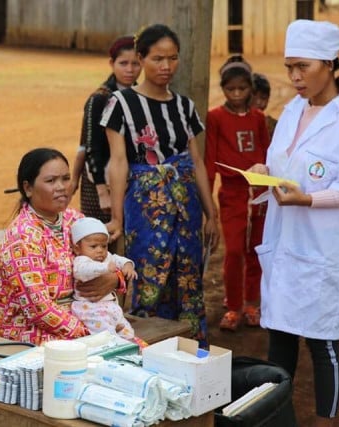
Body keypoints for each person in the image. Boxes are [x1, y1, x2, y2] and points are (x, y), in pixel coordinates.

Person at [250, 20, 339, 427]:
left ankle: (329, 419)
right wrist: (262, 171)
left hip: (324, 251)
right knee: (280, 338)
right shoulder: (292, 111)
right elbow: (282, 166)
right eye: (290, 67)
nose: (294, 77)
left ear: (330, 65)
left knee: (323, 343)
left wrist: (307, 198)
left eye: (302, 67)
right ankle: (277, 418)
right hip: (286, 244)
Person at [101, 24, 219, 348]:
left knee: (189, 278)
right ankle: (140, 353)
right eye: (157, 59)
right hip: (145, 209)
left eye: (172, 58)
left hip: (187, 207)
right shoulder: (120, 104)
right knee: (147, 279)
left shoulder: (185, 107)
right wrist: (117, 219)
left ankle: (192, 352)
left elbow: (197, 162)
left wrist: (212, 214)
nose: (166, 66)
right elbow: (119, 163)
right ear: (140, 58)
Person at [0, 148, 122, 345]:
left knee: (139, 354)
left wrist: (115, 278)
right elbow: (39, 310)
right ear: (28, 188)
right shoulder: (21, 238)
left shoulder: (75, 220)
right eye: (51, 181)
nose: (62, 187)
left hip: (88, 318)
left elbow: (105, 258)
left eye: (66, 178)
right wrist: (91, 335)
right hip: (34, 333)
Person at [204, 55, 270, 331]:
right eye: (230, 89)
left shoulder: (258, 118)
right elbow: (209, 162)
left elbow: (268, 155)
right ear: (223, 89)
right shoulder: (215, 117)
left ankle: (252, 303)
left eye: (242, 89)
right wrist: (208, 205)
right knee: (233, 251)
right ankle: (233, 305)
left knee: (257, 249)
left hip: (260, 190)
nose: (237, 94)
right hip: (231, 192)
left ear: (250, 90)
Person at [69, 35, 142, 223]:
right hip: (98, 181)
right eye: (123, 63)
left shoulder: (141, 96)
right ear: (112, 63)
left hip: (132, 179)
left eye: (135, 64)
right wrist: (101, 191)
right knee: (98, 237)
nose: (130, 70)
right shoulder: (99, 99)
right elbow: (90, 147)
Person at [70, 217, 137, 340]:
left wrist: (128, 265)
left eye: (104, 246)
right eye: (93, 246)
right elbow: (83, 272)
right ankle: (113, 343)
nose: (100, 251)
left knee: (127, 331)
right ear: (77, 248)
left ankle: (129, 343)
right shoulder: (82, 260)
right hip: (91, 309)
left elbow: (119, 260)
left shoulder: (107, 258)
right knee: (106, 337)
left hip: (110, 307)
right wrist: (105, 268)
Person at [251, 73, 278, 138]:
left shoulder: (272, 126)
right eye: (253, 98)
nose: (258, 102)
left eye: (263, 98)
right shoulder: (231, 122)